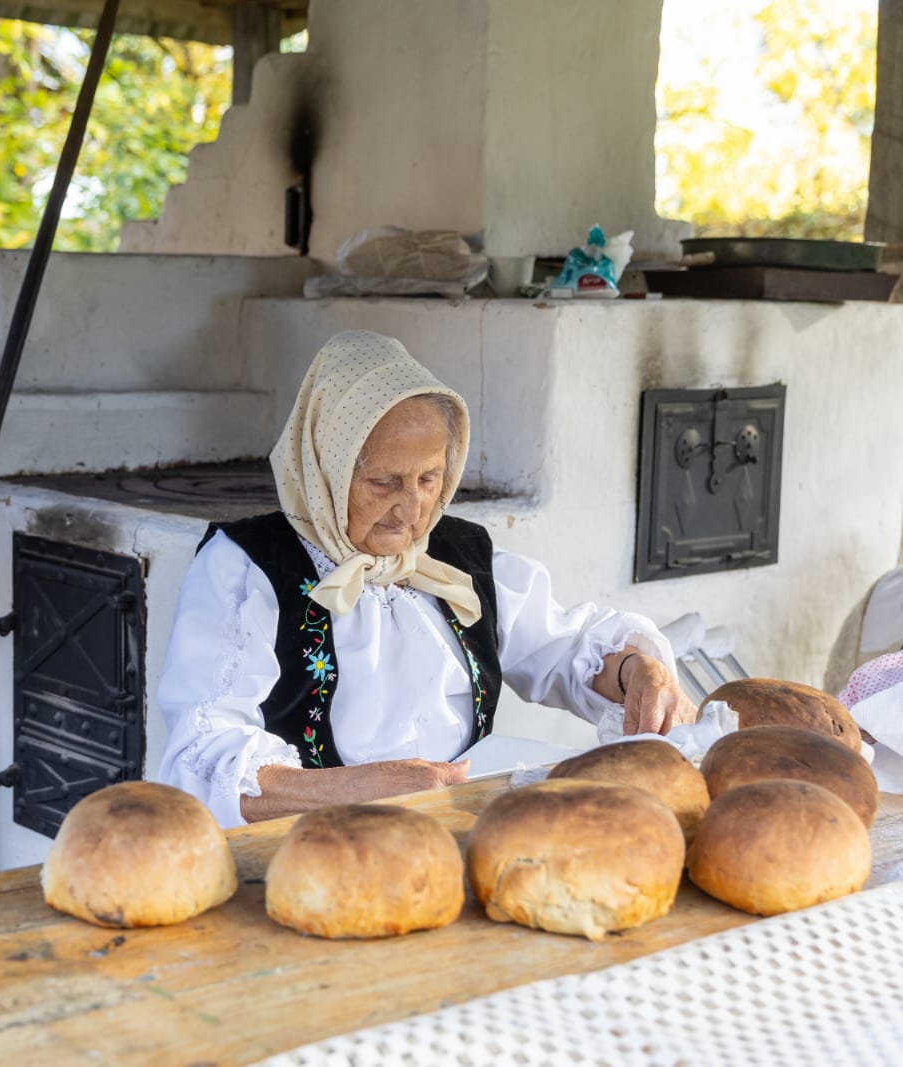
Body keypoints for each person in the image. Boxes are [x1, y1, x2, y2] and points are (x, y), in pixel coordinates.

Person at [157, 332, 697, 827]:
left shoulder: (460, 555)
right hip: (316, 846)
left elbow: (565, 647)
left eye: (430, 477)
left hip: (462, 829)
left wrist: (635, 670)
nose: (410, 509)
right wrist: (359, 789)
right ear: (325, 467)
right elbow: (204, 755)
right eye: (383, 481)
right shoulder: (247, 567)